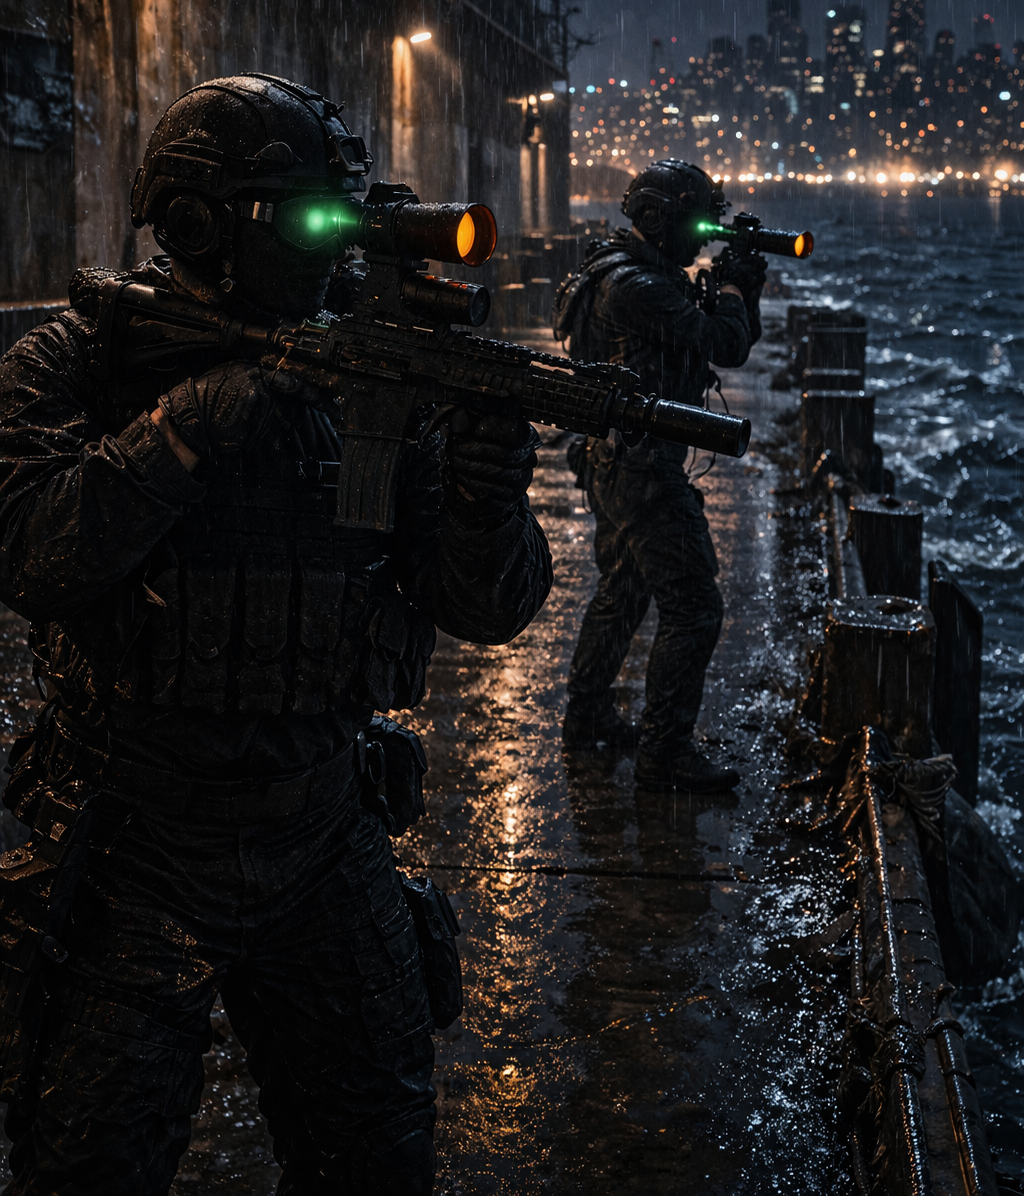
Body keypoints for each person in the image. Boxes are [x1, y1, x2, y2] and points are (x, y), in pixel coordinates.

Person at [0, 73, 553, 1195]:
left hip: (320, 825)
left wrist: (487, 497)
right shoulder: (84, 363)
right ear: (200, 219)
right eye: (300, 220)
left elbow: (487, 610)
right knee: (91, 1163)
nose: (332, 250)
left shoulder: (369, 374)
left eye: (342, 218)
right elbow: (31, 551)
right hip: (134, 833)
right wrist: (200, 417)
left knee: (375, 1153)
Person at [559, 161, 764, 793]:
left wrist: (729, 286)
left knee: (624, 591)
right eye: (694, 223)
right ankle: (665, 753)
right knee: (696, 608)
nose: (703, 239)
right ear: (656, 219)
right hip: (643, 469)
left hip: (616, 459)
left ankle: (588, 717)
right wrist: (736, 290)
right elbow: (723, 343)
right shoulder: (638, 288)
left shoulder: (618, 270)